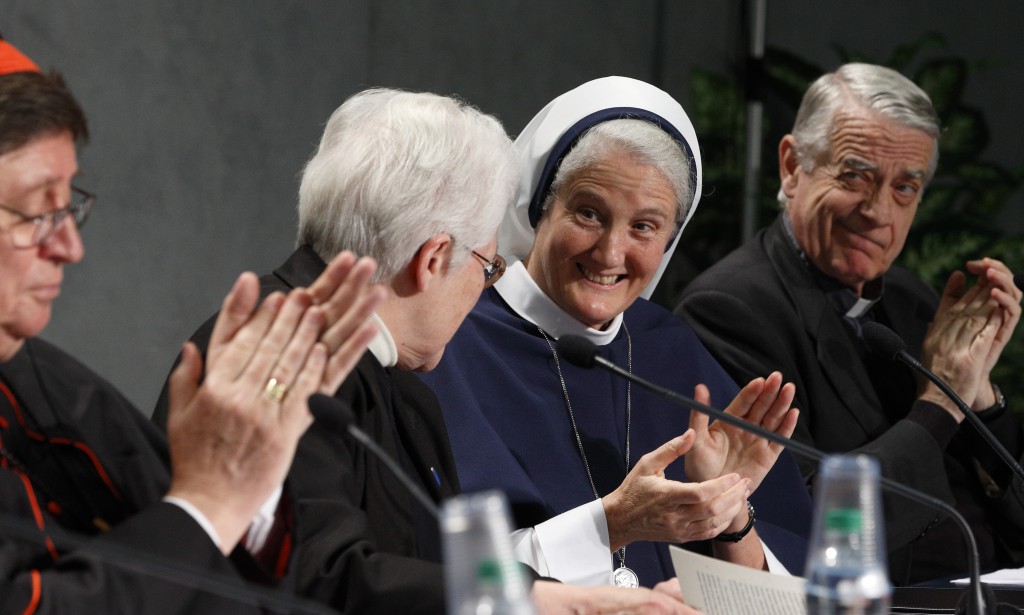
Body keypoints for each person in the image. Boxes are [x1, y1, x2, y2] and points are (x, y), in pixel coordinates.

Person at [155, 87, 701, 614]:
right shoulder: (278, 355)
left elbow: (439, 565)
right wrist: (554, 602)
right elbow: (320, 576)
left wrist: (598, 601)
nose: (486, 288)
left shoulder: (393, 381)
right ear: (434, 258)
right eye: (488, 267)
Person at [0, 35, 384, 613]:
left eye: (68, 205)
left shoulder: (46, 383)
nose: (70, 246)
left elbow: (206, 545)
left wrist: (253, 458)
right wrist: (210, 501)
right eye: (37, 210)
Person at [419, 76, 813, 589]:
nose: (609, 254)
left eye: (644, 227)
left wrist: (730, 511)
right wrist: (612, 524)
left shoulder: (670, 349)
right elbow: (434, 570)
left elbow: (788, 584)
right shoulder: (450, 340)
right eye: (588, 213)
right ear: (541, 209)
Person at [676, 62, 1024, 585]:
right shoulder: (730, 310)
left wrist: (980, 401)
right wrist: (941, 401)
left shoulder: (910, 300)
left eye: (905, 189)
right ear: (792, 166)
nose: (879, 211)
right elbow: (804, 530)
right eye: (856, 175)